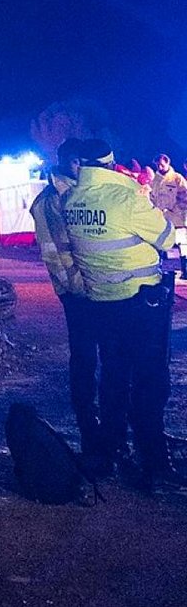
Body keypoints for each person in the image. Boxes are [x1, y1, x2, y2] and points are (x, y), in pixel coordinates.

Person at [62, 138, 187, 491]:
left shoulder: (73, 201)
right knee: (150, 381)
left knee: (114, 377)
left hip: (102, 302)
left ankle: (113, 448)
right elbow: (165, 238)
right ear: (111, 163)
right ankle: (153, 463)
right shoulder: (126, 198)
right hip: (143, 304)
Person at [29, 140, 99, 463]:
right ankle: (88, 424)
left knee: (98, 354)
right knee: (84, 357)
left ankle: (97, 419)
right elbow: (55, 254)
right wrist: (79, 288)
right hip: (77, 292)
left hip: (91, 288)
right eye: (78, 163)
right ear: (67, 162)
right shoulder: (50, 201)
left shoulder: (74, 192)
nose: (83, 168)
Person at [149, 152, 187, 274]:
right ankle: (162, 268)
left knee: (182, 245)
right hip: (160, 218)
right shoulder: (154, 180)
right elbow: (152, 197)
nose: (160, 168)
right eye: (157, 165)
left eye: (161, 165)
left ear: (168, 163)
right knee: (161, 243)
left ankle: (185, 269)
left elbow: (185, 196)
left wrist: (177, 210)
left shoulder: (177, 178)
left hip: (177, 218)